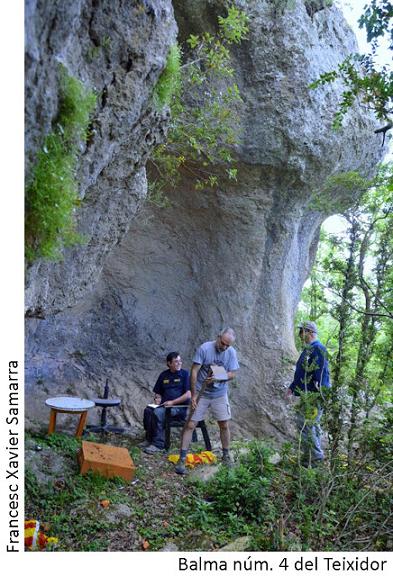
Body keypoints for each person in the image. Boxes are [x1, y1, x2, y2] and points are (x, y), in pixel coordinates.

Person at [175, 328, 239, 474]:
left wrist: (219, 377)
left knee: (224, 424)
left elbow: (233, 373)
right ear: (218, 337)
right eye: (223, 343)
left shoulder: (231, 353)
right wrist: (193, 395)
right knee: (190, 424)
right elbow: (194, 371)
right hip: (201, 393)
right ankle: (182, 459)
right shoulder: (205, 348)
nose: (224, 347)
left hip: (219, 393)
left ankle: (226, 455)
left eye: (227, 345)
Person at [286, 321, 331, 466]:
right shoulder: (309, 349)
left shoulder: (318, 348)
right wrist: (293, 387)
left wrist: (319, 393)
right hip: (307, 394)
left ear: (310, 332)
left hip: (313, 396)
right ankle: (311, 456)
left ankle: (314, 458)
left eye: (302, 332)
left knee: (306, 424)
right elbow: (303, 371)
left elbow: (321, 372)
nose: (300, 335)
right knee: (309, 424)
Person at [142, 352, 191, 454]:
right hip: (164, 406)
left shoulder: (185, 374)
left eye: (180, 361)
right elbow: (158, 393)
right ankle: (149, 439)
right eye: (176, 361)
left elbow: (188, 395)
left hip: (179, 407)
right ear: (169, 363)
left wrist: (173, 402)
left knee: (158, 413)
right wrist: (158, 398)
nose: (179, 363)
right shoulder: (164, 375)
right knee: (148, 411)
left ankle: (158, 445)